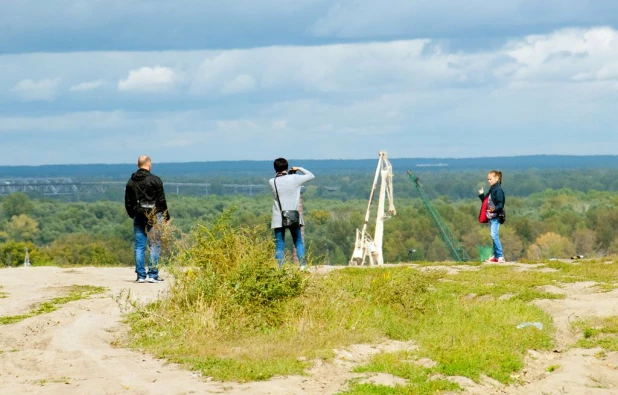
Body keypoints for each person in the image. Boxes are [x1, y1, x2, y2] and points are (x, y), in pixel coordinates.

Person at [125, 155, 170, 283]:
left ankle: (140, 276)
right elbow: (161, 200)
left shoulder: (131, 182)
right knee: (155, 245)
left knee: (139, 246)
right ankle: (153, 275)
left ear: (138, 165)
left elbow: (128, 202)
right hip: (155, 215)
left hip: (138, 215)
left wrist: (133, 214)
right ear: (149, 165)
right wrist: (166, 216)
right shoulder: (155, 180)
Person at [269, 158, 314, 269]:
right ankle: (303, 266)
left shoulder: (272, 181)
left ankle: (281, 268)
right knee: (298, 242)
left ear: (275, 168)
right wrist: (298, 169)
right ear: (287, 167)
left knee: (279, 245)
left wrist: (289, 174)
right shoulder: (294, 178)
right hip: (293, 216)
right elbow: (311, 175)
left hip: (278, 217)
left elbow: (281, 181)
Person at [478, 170, 505, 263]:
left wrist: (494, 209)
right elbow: (485, 203)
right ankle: (496, 257)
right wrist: (481, 195)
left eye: (490, 179)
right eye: (488, 179)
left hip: (496, 217)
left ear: (497, 178)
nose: (489, 181)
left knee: (494, 235)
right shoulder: (491, 190)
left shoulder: (498, 191)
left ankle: (500, 256)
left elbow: (500, 205)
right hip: (490, 217)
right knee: (493, 237)